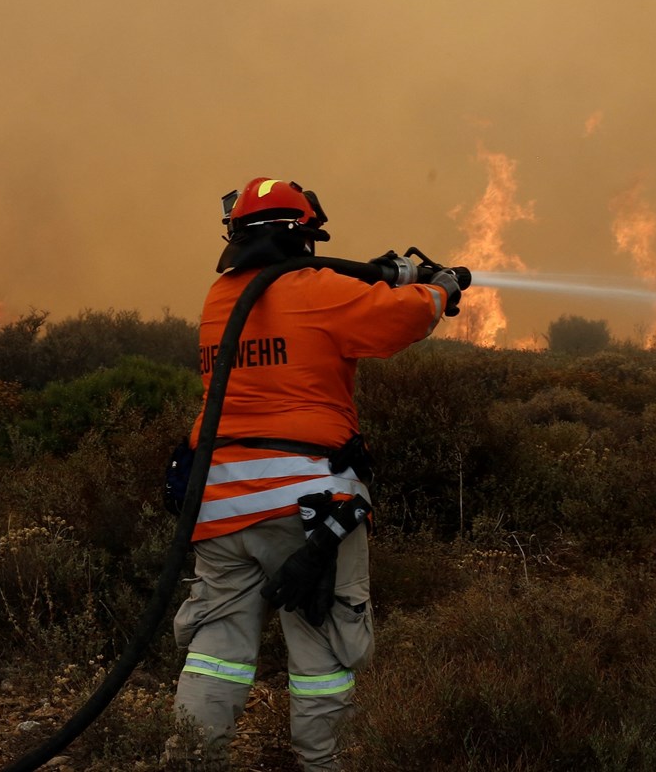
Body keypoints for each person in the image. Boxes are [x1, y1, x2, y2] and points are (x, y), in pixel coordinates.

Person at [168, 177, 461, 771]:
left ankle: (193, 760)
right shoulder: (319, 290)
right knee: (322, 648)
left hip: (219, 501)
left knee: (217, 647)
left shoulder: (219, 298)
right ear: (303, 233)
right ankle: (324, 764)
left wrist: (371, 274)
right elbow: (403, 319)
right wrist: (441, 287)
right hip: (309, 509)